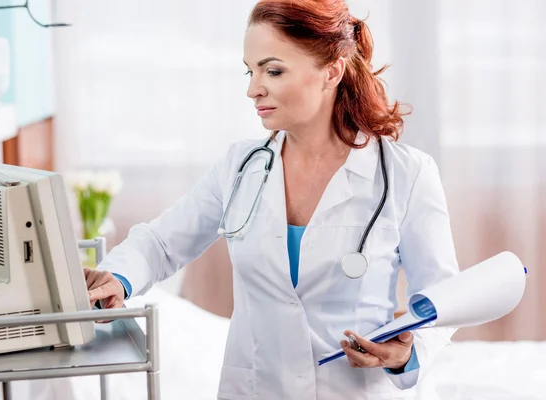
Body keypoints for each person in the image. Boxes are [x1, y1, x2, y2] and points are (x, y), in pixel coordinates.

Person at [84, 0, 459, 398]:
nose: (252, 89)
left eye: (273, 70)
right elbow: (161, 243)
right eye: (251, 70)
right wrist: (119, 278)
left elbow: (444, 300)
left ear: (332, 71)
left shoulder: (405, 174)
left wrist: (403, 353)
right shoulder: (240, 167)